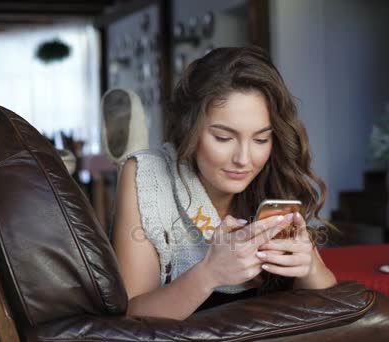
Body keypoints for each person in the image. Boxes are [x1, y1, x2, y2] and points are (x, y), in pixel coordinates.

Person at [112, 46, 337, 320]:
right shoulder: (147, 175)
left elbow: (331, 308)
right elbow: (131, 318)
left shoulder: (274, 175)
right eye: (223, 138)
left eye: (260, 139)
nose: (244, 159)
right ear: (189, 128)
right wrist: (210, 274)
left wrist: (310, 267)